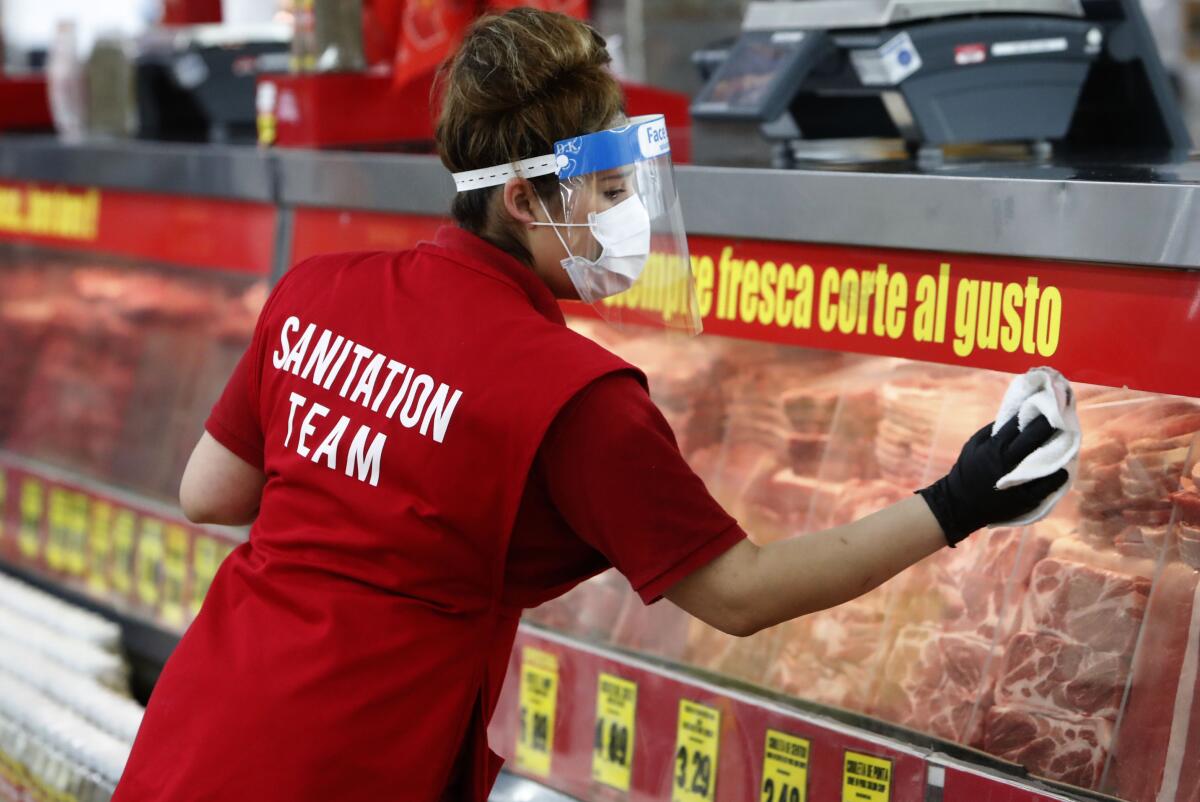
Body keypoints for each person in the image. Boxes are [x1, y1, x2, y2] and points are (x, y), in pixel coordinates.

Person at [111, 9, 1067, 802]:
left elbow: (211, 492)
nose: (631, 217)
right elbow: (739, 594)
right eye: (609, 190)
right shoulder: (572, 396)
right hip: (353, 764)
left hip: (197, 736)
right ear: (526, 199)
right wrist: (961, 499)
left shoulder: (317, 289)